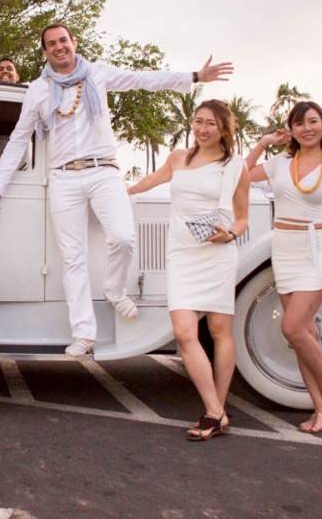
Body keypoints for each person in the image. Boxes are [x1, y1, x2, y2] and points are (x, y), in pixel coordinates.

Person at [0, 23, 234, 357]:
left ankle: (114, 290)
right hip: (64, 177)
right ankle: (84, 333)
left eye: (63, 41)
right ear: (45, 51)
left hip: (104, 171)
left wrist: (196, 76)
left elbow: (144, 80)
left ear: (74, 43)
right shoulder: (38, 90)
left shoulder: (97, 74)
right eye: (51, 44)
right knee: (73, 258)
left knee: (123, 237)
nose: (59, 47)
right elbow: (19, 137)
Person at [127, 100, 249, 440]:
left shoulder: (234, 166)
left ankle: (214, 411)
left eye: (210, 123)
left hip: (218, 252)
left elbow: (242, 217)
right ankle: (216, 411)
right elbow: (150, 181)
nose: (202, 128)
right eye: (198, 121)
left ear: (224, 129)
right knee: (183, 332)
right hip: (182, 252)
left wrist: (232, 233)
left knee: (220, 330)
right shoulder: (179, 158)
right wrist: (121, 192)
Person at [246, 101, 322, 433]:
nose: (306, 128)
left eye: (312, 121)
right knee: (302, 334)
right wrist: (263, 144)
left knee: (292, 327)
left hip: (317, 248)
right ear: (290, 130)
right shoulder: (280, 163)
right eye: (299, 123)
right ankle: (319, 409)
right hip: (285, 248)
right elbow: (242, 176)